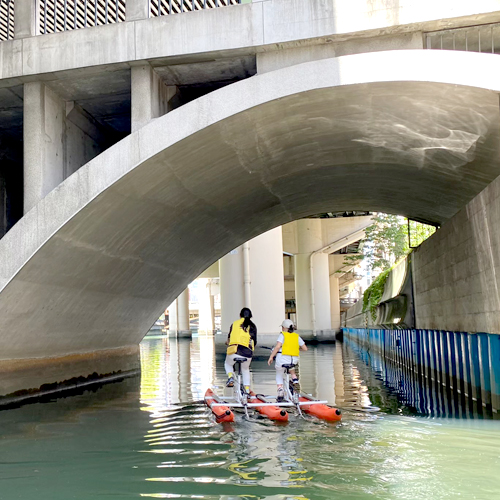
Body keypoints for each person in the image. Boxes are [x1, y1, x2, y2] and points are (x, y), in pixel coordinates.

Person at [267, 319, 307, 402]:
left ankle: (280, 390)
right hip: (294, 360)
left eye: (282, 327)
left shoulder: (283, 335)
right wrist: (296, 348)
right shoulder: (297, 336)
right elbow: (305, 348)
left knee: (279, 373)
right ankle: (294, 379)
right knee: (291, 367)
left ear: (284, 328)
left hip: (282, 359)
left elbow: (278, 347)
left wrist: (271, 357)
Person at [225, 307, 257, 394]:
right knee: (245, 369)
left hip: (234, 351)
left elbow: (229, 339)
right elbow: (255, 341)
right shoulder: (253, 326)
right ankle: (247, 390)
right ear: (250, 316)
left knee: (228, 364)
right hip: (247, 353)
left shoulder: (234, 324)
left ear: (240, 315)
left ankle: (231, 377)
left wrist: (227, 342)